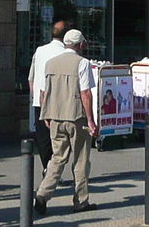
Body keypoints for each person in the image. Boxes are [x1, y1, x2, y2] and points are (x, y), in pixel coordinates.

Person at [34, 29, 99, 215]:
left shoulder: (51, 63)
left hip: (55, 115)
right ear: (79, 45)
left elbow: (43, 91)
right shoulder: (83, 63)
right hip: (76, 116)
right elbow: (85, 93)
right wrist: (91, 120)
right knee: (80, 159)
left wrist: (45, 114)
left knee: (57, 157)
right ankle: (81, 201)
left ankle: (42, 193)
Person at [28, 19, 68, 172]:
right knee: (58, 138)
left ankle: (46, 167)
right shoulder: (64, 53)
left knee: (43, 138)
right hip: (58, 102)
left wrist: (35, 95)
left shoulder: (40, 50)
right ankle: (54, 170)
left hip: (40, 100)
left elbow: (31, 77)